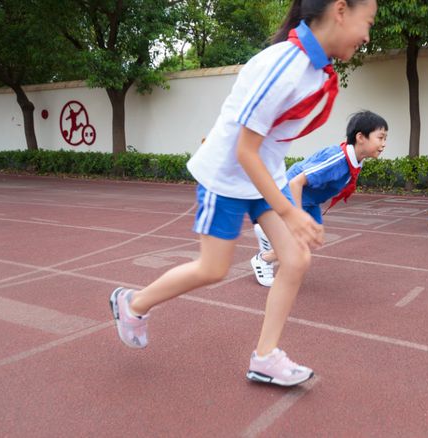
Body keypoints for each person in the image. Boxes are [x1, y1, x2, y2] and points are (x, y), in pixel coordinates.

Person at [108, 0, 378, 387]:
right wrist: (291, 211)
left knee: (297, 259)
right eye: (366, 21)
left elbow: (264, 149)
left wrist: (287, 206)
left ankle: (265, 357)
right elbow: (243, 150)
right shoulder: (283, 66)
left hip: (263, 175)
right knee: (213, 268)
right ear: (340, 10)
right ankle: (131, 303)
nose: (367, 34)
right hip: (228, 177)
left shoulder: (314, 71)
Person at [251, 110, 388, 287]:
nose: (384, 144)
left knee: (312, 237)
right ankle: (262, 259)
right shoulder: (337, 160)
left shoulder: (356, 160)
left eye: (385, 138)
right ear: (361, 137)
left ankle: (268, 236)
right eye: (380, 137)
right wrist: (296, 219)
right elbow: (295, 183)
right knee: (298, 240)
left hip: (310, 199)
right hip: (290, 192)